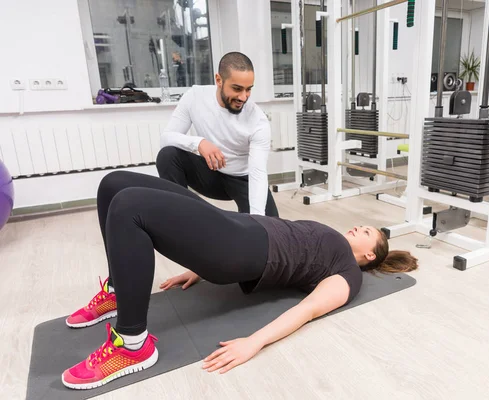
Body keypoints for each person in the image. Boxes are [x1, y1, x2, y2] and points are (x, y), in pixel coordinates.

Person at [62, 171, 418, 390]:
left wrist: (255, 343)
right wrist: (196, 267)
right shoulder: (333, 239)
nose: (358, 226)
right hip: (236, 225)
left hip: (242, 250)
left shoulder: (348, 274)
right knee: (114, 185)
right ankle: (117, 293)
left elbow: (308, 310)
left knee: (129, 205)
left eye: (366, 232)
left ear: (370, 254)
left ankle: (133, 344)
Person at [156, 51, 279, 218]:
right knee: (168, 155)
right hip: (210, 174)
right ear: (219, 80)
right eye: (237, 89)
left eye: (248, 89)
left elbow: (257, 172)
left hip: (244, 179)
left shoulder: (258, 121)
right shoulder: (195, 97)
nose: (243, 97)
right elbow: (166, 138)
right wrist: (198, 143)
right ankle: (181, 219)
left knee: (272, 232)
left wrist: (258, 218)